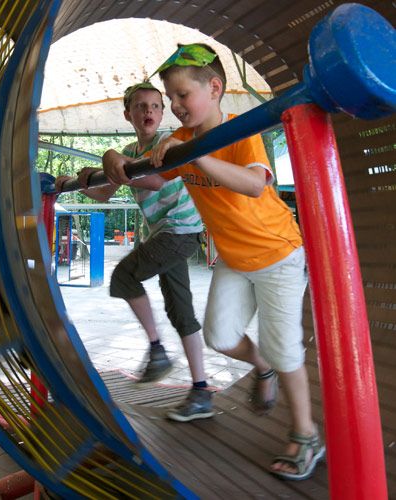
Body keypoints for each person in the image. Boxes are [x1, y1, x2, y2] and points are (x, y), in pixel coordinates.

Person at [142, 43, 324, 480]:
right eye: (171, 99)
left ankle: (305, 434)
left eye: (182, 95)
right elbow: (151, 178)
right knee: (220, 337)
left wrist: (196, 154)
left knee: (285, 348)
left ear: (215, 88)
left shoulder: (241, 130)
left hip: (277, 252)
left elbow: (254, 185)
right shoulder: (180, 143)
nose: (175, 106)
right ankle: (261, 367)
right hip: (234, 258)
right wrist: (116, 163)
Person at [55, 81, 214, 422]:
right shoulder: (131, 149)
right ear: (128, 114)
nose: (149, 112)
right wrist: (81, 181)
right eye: (141, 106)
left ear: (162, 113)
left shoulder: (163, 145)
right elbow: (105, 193)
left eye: (156, 106)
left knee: (125, 277)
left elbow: (157, 180)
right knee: (180, 311)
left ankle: (157, 351)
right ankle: (201, 391)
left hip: (180, 230)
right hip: (169, 234)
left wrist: (112, 160)